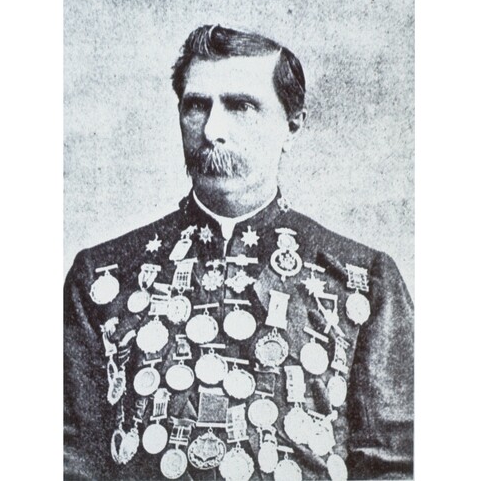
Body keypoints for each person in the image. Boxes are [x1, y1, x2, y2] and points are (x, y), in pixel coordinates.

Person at [64, 25, 413, 480]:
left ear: (292, 125)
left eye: (240, 106)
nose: (213, 130)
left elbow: (399, 466)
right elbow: (68, 459)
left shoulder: (362, 279)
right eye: (196, 106)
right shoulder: (102, 277)